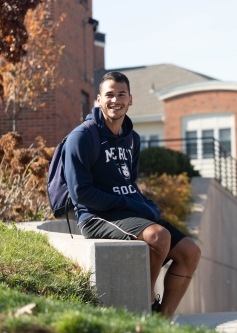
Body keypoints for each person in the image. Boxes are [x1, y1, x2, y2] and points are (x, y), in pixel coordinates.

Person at [63, 71, 201, 319]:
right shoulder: (82, 137)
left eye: (121, 94)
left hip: (127, 212)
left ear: (130, 99)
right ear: (98, 99)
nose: (115, 100)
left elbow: (128, 183)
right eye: (109, 95)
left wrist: (145, 203)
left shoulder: (132, 139)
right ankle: (145, 306)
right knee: (158, 237)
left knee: (190, 252)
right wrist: (127, 202)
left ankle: (162, 320)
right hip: (96, 215)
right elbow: (80, 193)